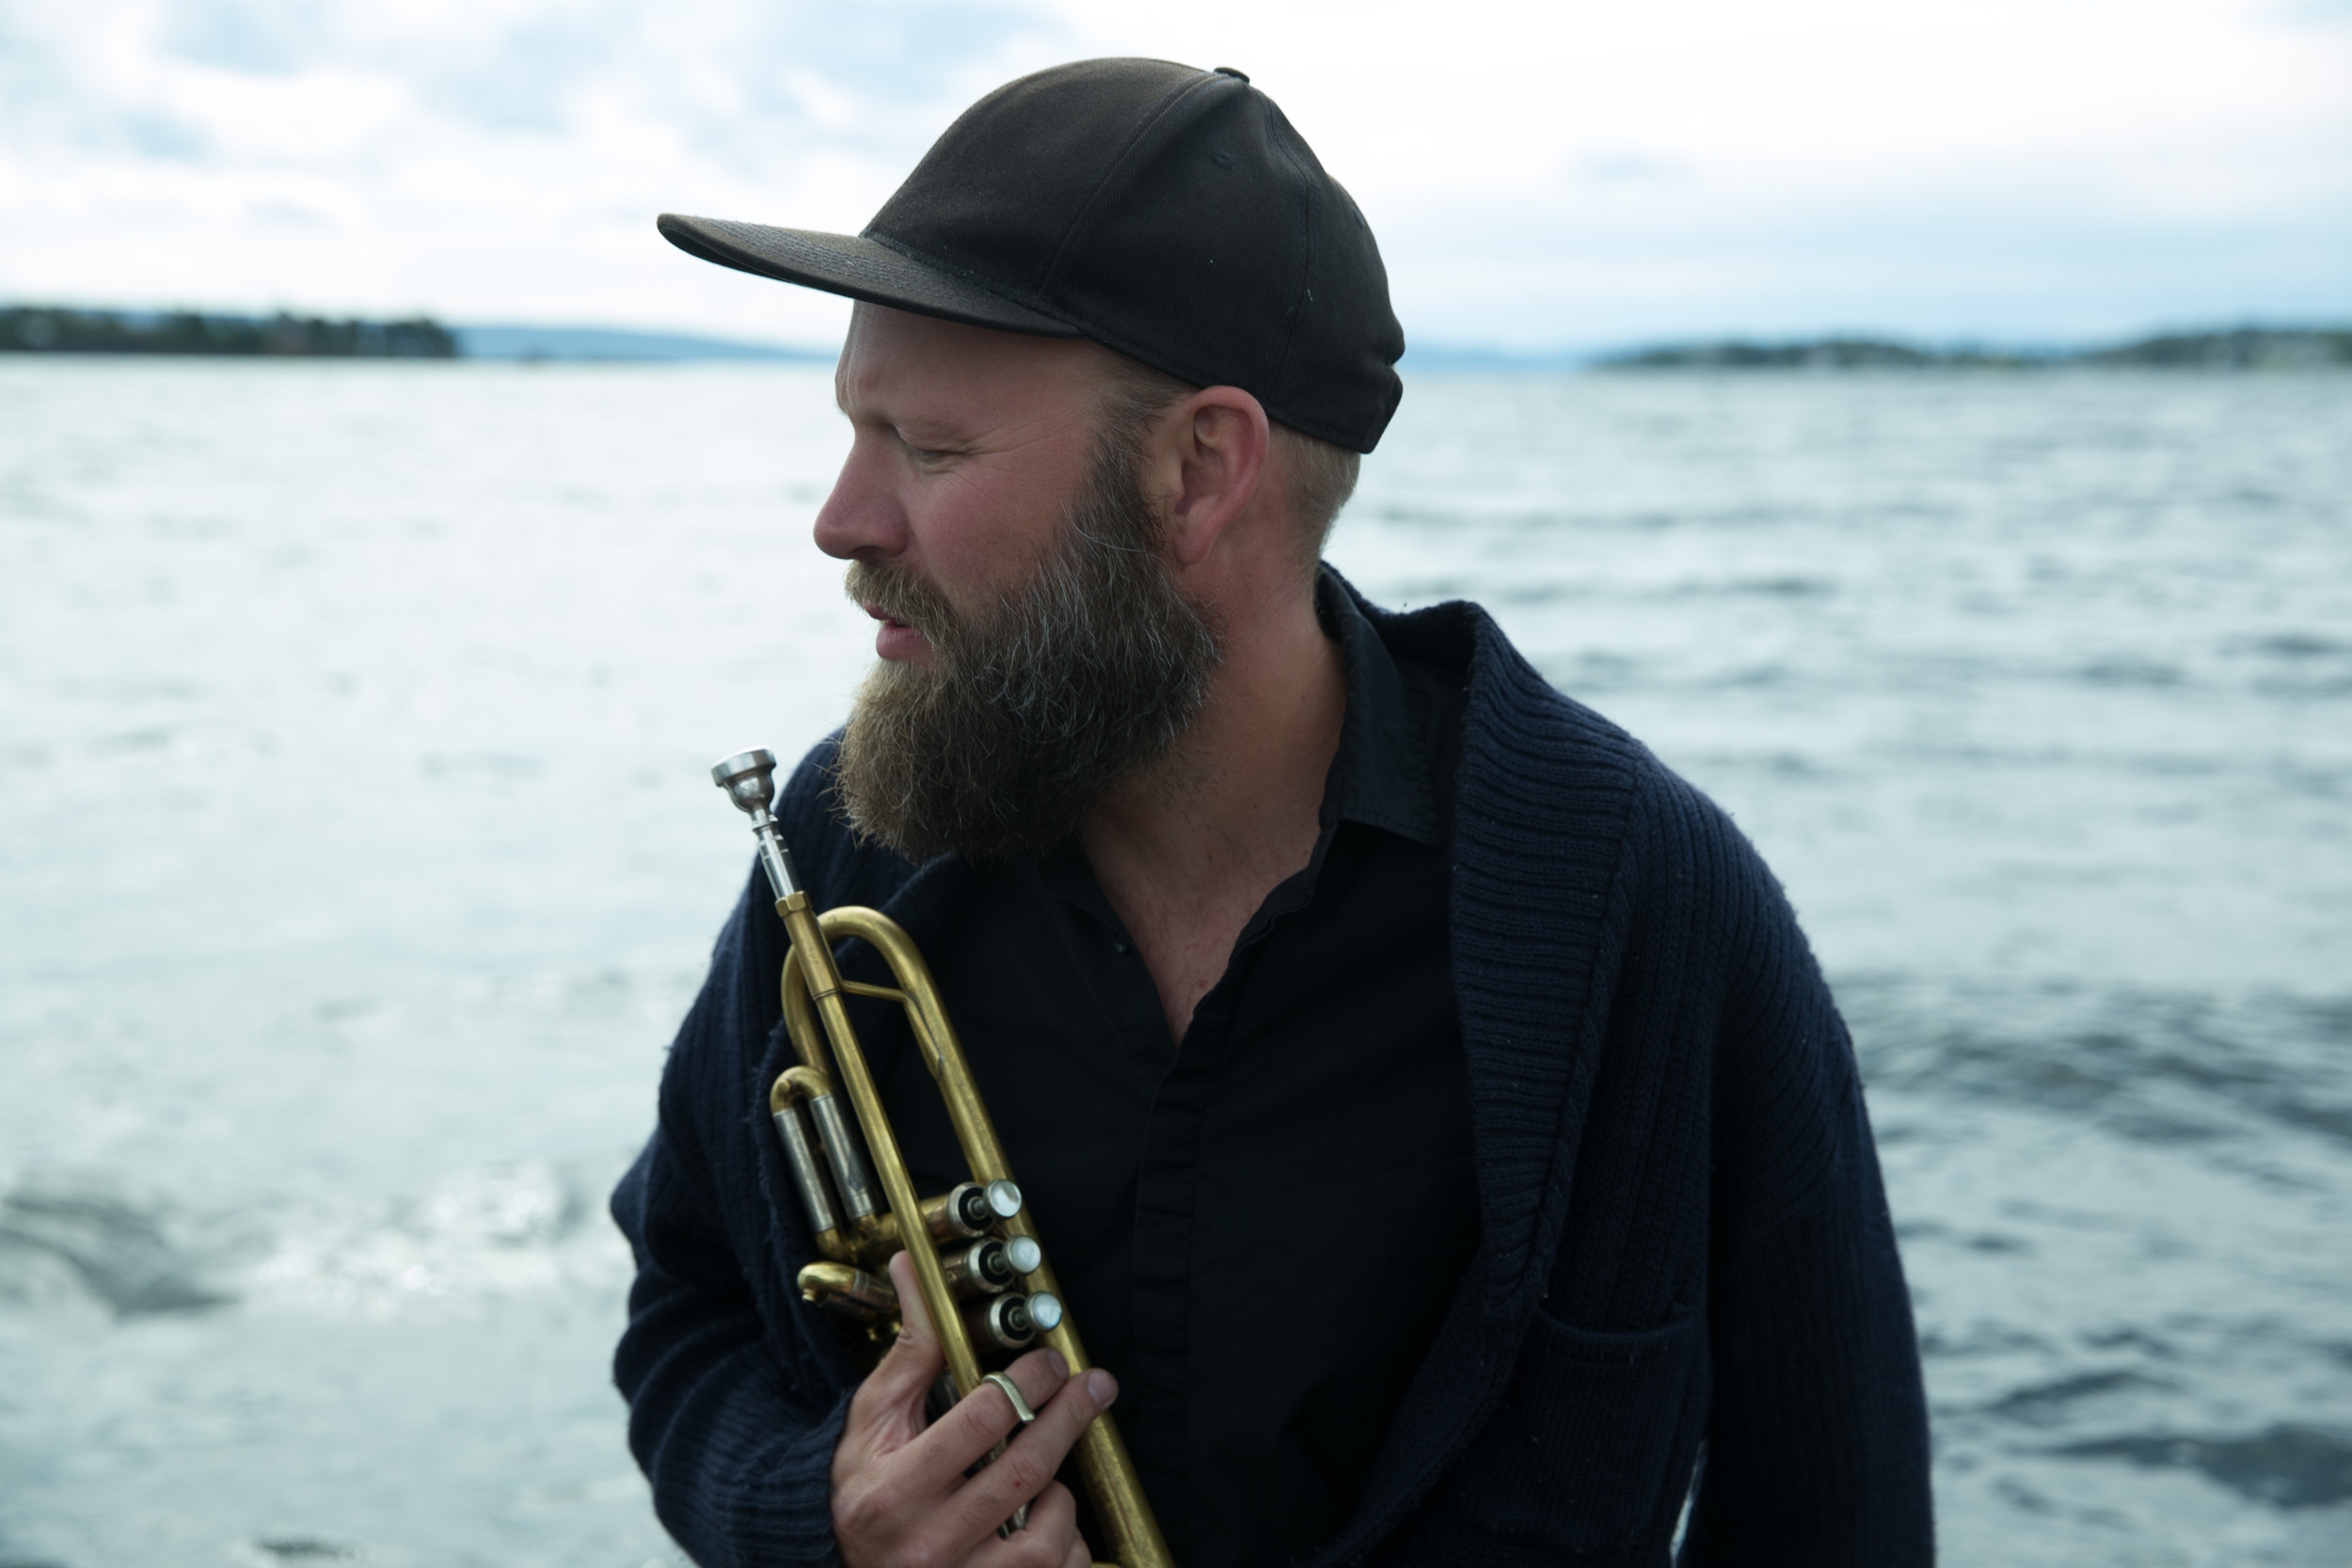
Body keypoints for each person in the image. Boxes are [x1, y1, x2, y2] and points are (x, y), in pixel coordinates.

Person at [612, 56, 1932, 1568]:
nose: (841, 519)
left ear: (1200, 468)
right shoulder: (850, 844)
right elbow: (689, 1315)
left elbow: (1839, 1513)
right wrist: (827, 1518)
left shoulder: (1644, 907)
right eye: (856, 429)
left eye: (930, 447)